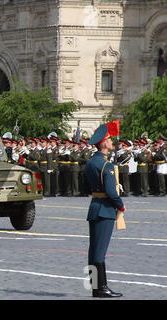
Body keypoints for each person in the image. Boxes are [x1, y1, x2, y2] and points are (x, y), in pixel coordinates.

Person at [83, 124, 124, 298]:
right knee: (100, 251)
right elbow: (111, 193)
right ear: (103, 144)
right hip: (105, 210)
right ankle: (101, 288)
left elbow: (86, 188)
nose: (111, 142)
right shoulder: (106, 165)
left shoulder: (90, 163)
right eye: (109, 140)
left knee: (93, 250)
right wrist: (120, 204)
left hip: (94, 207)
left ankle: (95, 287)